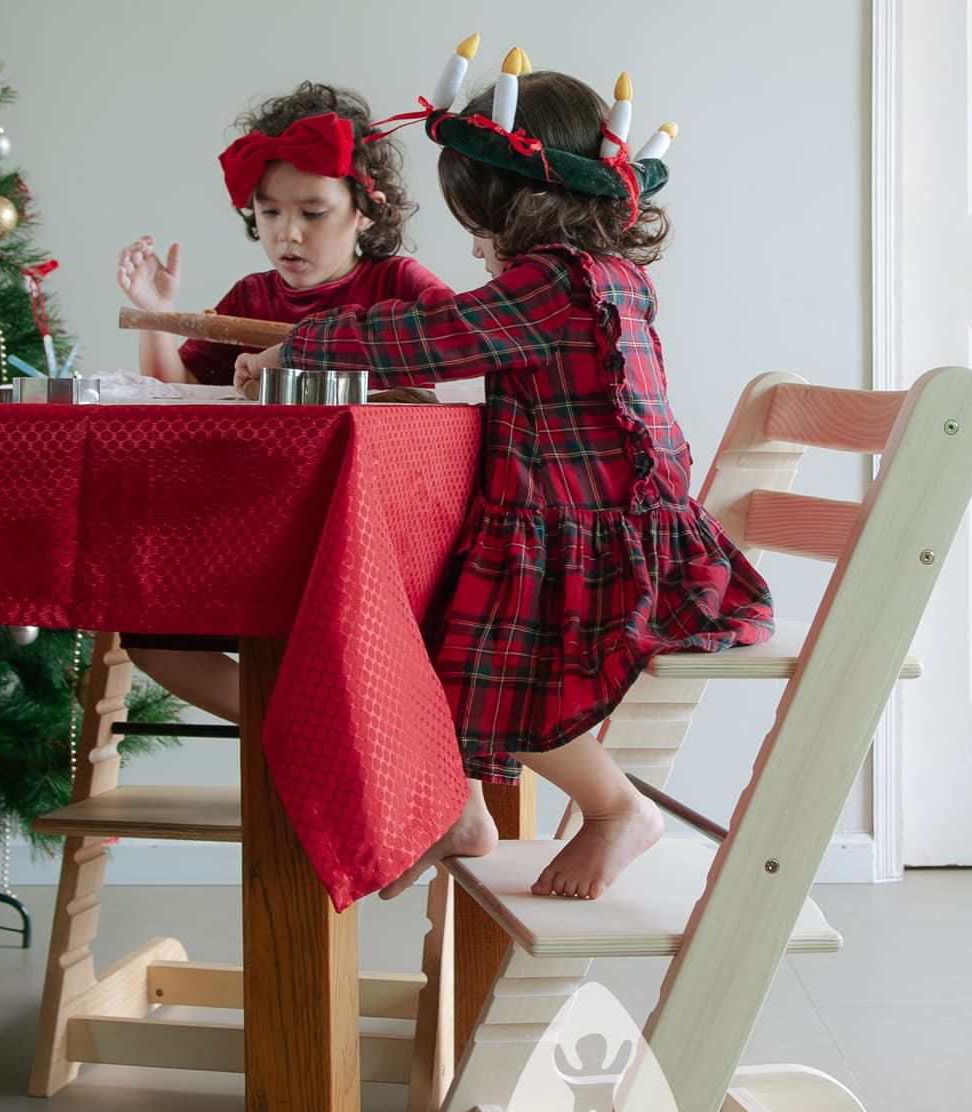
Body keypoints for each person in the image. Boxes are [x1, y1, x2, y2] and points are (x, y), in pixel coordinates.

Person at [236, 63, 773, 901]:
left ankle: (617, 809)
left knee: (507, 678)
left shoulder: (554, 282)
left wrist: (305, 346)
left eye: (475, 218)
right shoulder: (606, 275)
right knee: (433, 637)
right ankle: (454, 810)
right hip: (580, 520)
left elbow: (437, 335)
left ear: (511, 201)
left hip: (591, 536)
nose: (474, 240)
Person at [116, 81, 449, 721]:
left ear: (367, 210)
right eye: (269, 213)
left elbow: (457, 370)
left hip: (369, 540)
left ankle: (342, 721)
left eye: (313, 212)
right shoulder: (251, 296)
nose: (287, 233)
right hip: (257, 529)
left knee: (358, 636)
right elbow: (179, 399)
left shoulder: (399, 286)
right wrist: (159, 319)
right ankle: (301, 720)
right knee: (152, 635)